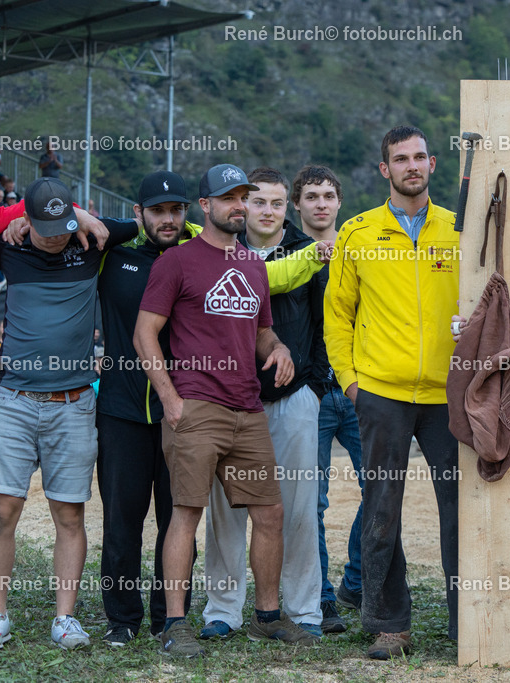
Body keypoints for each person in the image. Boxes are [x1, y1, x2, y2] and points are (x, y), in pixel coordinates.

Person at [326, 125, 510, 660]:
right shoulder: (358, 234)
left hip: (449, 392)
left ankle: (466, 622)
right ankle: (389, 624)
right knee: (382, 507)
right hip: (380, 392)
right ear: (385, 170)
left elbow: (506, 280)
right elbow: (337, 316)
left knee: (463, 508)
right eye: (399, 159)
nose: (411, 165)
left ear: (432, 165)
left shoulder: (462, 230)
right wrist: (352, 384)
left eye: (419, 157)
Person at [134, 163, 323, 658]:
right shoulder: (176, 262)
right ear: (207, 206)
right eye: (230, 198)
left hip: (247, 406)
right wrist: (170, 397)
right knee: (186, 514)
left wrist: (277, 348)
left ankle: (266, 616)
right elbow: (144, 334)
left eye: (245, 196)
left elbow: (260, 329)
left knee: (271, 512)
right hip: (197, 405)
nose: (239, 206)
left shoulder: (252, 265)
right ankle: (176, 624)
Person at [0, 178, 135, 650]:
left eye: (63, 226)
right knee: (4, 510)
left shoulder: (88, 240)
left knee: (69, 513)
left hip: (74, 403)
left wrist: (84, 218)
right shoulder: (7, 247)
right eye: (46, 227)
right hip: (10, 401)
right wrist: (19, 220)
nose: (55, 236)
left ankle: (64, 619)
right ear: (28, 219)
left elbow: (140, 223)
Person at [200, 167, 325, 641]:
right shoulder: (220, 252)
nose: (267, 211)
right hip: (229, 402)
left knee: (297, 509)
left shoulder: (306, 252)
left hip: (294, 399)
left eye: (276, 203)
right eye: (258, 203)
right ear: (242, 206)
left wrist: (314, 386)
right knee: (226, 509)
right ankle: (223, 610)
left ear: (285, 207)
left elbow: (324, 322)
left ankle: (302, 610)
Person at [95, 170, 198, 646]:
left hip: (182, 413)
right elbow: (82, 226)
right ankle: (122, 619)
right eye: (157, 211)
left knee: (177, 519)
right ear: (139, 213)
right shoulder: (113, 257)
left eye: (177, 210)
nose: (168, 219)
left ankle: (168, 617)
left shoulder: (199, 257)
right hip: (120, 411)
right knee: (121, 520)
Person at [286, 164, 362, 634]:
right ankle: (322, 597)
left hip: (358, 388)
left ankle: (357, 578)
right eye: (311, 196)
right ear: (297, 204)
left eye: (328, 196)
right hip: (310, 392)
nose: (320, 203)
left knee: (381, 487)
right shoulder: (285, 252)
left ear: (338, 203)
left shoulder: (359, 246)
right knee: (309, 502)